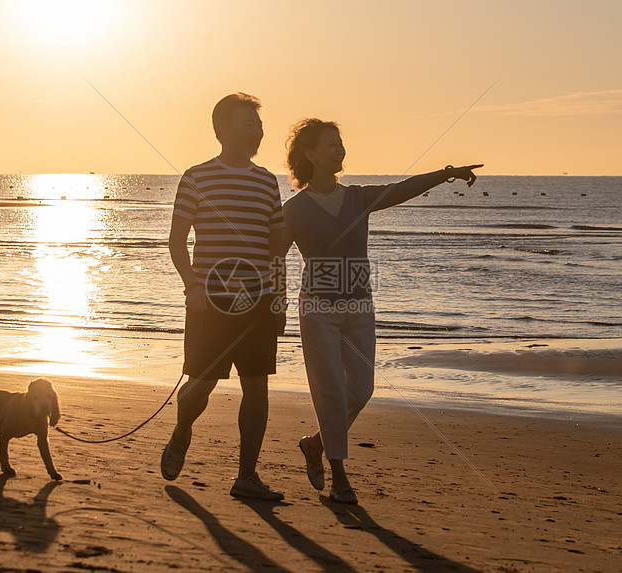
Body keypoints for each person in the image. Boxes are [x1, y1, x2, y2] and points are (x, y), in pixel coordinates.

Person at [280, 118, 482, 504]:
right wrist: (275, 302)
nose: (339, 150)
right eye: (330, 145)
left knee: (361, 388)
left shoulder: (357, 197)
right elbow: (274, 255)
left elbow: (400, 190)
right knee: (331, 393)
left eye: (341, 143)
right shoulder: (295, 209)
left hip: (359, 305)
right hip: (317, 309)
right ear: (310, 155)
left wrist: (445, 174)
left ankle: (315, 445)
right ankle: (340, 478)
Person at [164, 93, 286, 501]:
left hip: (258, 304)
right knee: (200, 387)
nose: (258, 132)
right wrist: (192, 285)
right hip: (210, 302)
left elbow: (275, 248)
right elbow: (177, 240)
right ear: (222, 130)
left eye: (259, 125)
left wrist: (279, 297)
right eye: (248, 124)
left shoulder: (268, 181)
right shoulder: (196, 177)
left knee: (257, 390)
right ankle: (182, 432)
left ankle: (246, 476)